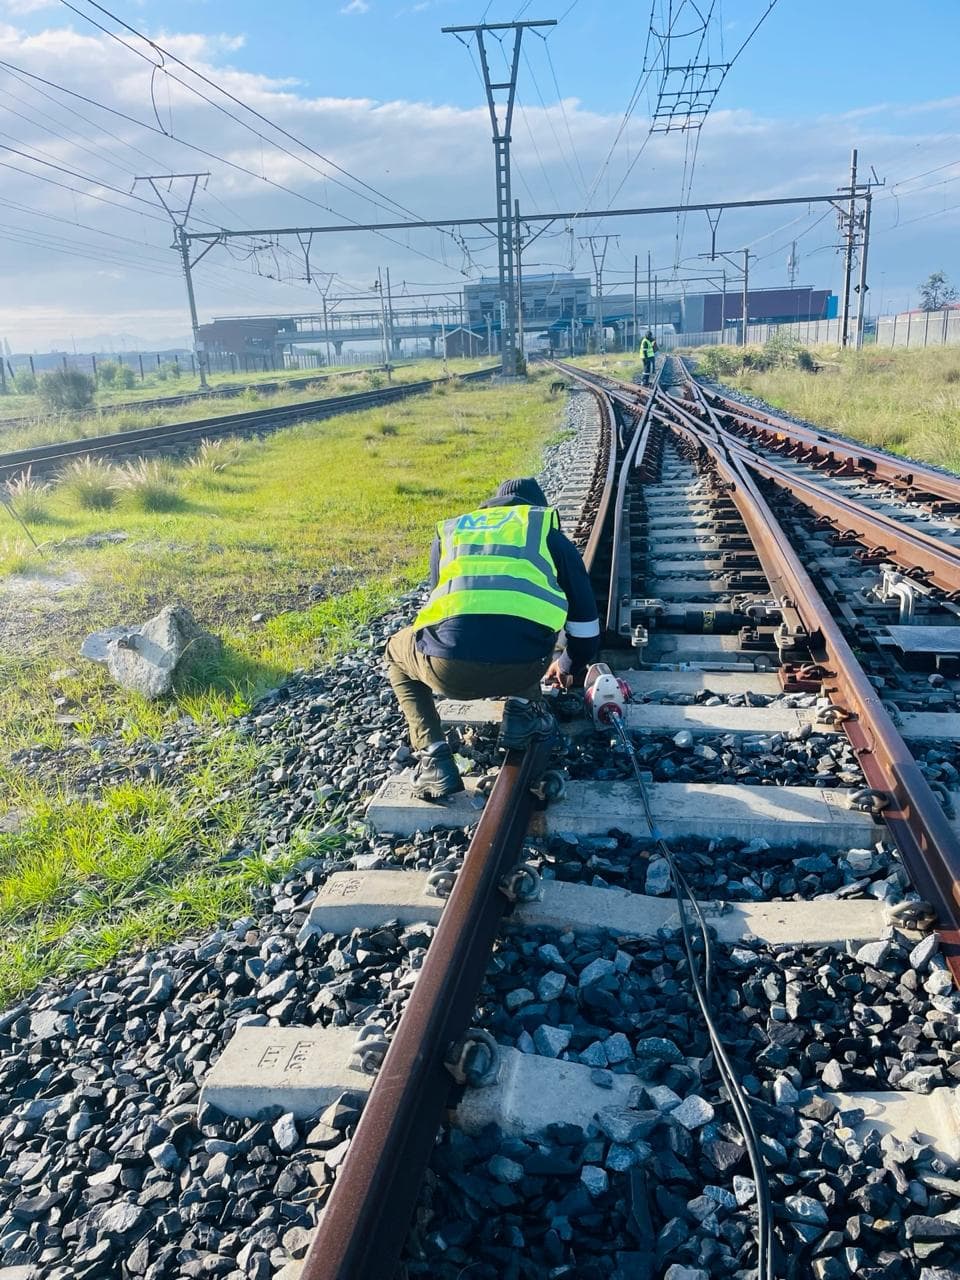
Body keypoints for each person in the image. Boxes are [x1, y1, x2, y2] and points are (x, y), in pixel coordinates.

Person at [385, 477, 601, 800]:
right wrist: (566, 663)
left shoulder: (453, 533)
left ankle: (433, 756)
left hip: (447, 670)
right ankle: (522, 710)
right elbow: (586, 631)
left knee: (395, 651)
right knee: (526, 628)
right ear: (536, 508)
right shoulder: (544, 532)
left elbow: (441, 621)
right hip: (526, 666)